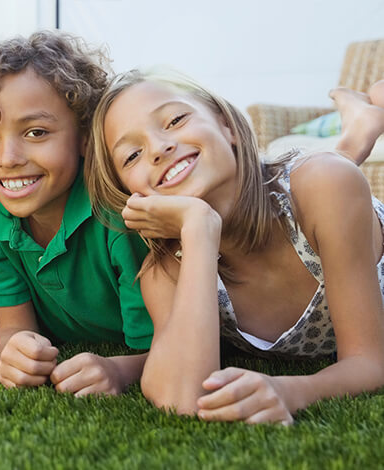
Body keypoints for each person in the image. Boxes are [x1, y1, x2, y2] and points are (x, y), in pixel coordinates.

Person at [86, 69, 384, 424]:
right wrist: (198, 228)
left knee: (332, 170)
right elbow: (181, 397)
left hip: (321, 197)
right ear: (132, 196)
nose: (158, 148)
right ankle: (359, 128)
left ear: (226, 124)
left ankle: (359, 129)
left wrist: (289, 391)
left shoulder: (325, 187)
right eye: (132, 156)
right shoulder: (164, 271)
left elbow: (370, 362)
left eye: (176, 119)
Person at [0, 31, 152, 396]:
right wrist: (15, 352)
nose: (8, 159)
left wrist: (119, 370)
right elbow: (11, 329)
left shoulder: (119, 211)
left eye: (36, 132)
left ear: (85, 135)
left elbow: (171, 346)